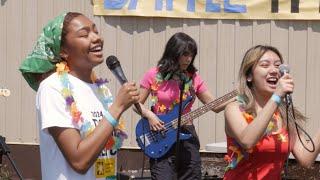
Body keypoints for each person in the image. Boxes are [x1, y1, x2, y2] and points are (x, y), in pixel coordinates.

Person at [19, 12, 139, 179]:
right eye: (84, 34)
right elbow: (79, 161)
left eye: (96, 31)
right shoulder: (52, 88)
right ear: (63, 51)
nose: (96, 38)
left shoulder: (102, 91)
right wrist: (117, 107)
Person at [136, 32, 232, 180]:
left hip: (187, 135)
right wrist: (150, 116)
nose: (188, 59)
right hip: (161, 133)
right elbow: (136, 104)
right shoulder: (153, 74)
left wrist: (239, 96)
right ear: (173, 52)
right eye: (185, 54)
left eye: (191, 55)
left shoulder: (193, 77)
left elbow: (215, 106)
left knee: (192, 175)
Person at [223, 45, 320, 179]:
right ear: (249, 76)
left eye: (278, 66)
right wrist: (277, 96)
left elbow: (305, 159)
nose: (274, 70)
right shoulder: (235, 108)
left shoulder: (284, 113)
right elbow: (247, 141)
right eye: (265, 65)